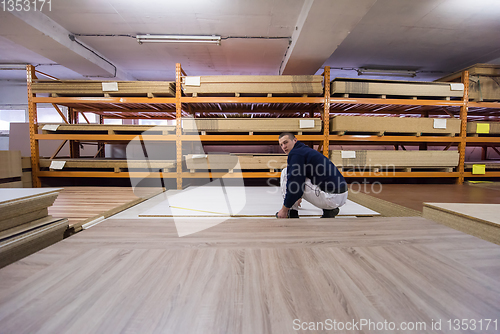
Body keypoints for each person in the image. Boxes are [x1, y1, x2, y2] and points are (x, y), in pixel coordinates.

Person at [276, 132, 348, 219]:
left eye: (285, 142)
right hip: (342, 195)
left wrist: (284, 209)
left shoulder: (296, 154)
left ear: (295, 140)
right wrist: (297, 196)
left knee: (285, 173)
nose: (284, 147)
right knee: (297, 177)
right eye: (281, 145)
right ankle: (329, 210)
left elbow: (295, 185)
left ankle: (291, 212)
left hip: (331, 197)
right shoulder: (304, 150)